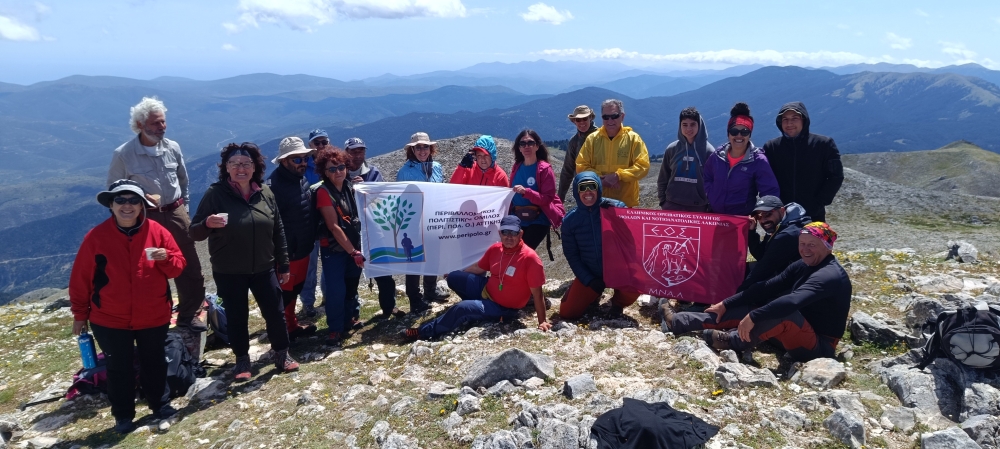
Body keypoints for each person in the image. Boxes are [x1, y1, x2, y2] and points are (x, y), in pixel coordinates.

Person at [70, 179, 185, 433]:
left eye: (134, 200)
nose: (127, 205)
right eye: (120, 200)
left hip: (153, 313)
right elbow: (81, 279)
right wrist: (80, 315)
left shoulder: (158, 232)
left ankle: (160, 405)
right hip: (109, 317)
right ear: (110, 204)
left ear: (142, 205)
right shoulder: (96, 237)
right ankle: (123, 415)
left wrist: (166, 257)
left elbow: (178, 267)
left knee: (154, 361)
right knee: (118, 366)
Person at [665, 222, 852, 362]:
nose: (805, 250)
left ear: (828, 246)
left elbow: (792, 302)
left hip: (817, 346)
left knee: (783, 311)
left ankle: (733, 341)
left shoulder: (829, 275)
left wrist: (753, 317)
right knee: (755, 305)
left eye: (812, 244)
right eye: (802, 244)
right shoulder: (803, 264)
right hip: (793, 332)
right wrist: (727, 303)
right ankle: (679, 321)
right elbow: (768, 286)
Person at [190, 143, 298, 380]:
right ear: (226, 168)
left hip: (264, 266)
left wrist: (284, 263)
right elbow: (194, 232)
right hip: (229, 270)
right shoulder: (215, 194)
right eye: (234, 164)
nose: (241, 168)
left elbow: (278, 229)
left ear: (254, 167)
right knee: (237, 316)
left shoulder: (265, 192)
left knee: (275, 312)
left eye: (246, 164)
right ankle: (242, 361)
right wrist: (207, 223)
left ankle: (281, 353)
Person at [107, 97, 206, 331]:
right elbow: (114, 190)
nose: (161, 127)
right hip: (145, 219)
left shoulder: (173, 147)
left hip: (175, 212)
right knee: (150, 270)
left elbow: (184, 181)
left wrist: (186, 210)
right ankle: (155, 317)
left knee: (189, 266)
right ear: (140, 125)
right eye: (155, 124)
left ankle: (189, 315)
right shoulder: (124, 154)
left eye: (163, 122)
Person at [402, 215, 551, 339]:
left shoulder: (530, 258)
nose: (509, 237)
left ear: (521, 234)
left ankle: (422, 332)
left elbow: (538, 294)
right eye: (505, 232)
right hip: (486, 290)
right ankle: (475, 307)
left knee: (461, 308)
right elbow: (478, 268)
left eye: (513, 233)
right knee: (454, 277)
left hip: (504, 308)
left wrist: (542, 321)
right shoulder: (495, 249)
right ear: (500, 233)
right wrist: (456, 272)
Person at [560, 172, 639, 319]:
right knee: (567, 312)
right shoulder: (570, 221)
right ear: (577, 192)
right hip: (592, 272)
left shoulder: (616, 207)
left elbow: (632, 240)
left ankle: (617, 304)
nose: (588, 192)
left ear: (599, 189)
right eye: (583, 187)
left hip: (617, 270)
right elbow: (572, 255)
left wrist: (618, 213)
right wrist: (588, 279)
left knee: (637, 283)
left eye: (592, 186)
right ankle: (593, 295)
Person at [344, 137, 406, 319]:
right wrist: (350, 187)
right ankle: (352, 315)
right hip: (350, 231)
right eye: (353, 151)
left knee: (383, 270)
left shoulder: (373, 172)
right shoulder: (339, 171)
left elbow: (380, 198)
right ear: (346, 153)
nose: (357, 155)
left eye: (360, 151)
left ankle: (389, 306)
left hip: (373, 229)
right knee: (352, 274)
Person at [265, 137, 318, 342]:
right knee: (284, 295)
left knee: (294, 290)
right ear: (284, 161)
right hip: (286, 254)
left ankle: (292, 326)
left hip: (303, 248)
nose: (303, 163)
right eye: (297, 160)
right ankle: (281, 336)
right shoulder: (273, 187)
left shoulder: (302, 180)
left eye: (304, 158)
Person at [313, 147, 367, 347]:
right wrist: (353, 251)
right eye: (332, 169)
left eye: (341, 167)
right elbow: (333, 226)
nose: (338, 171)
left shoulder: (349, 187)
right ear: (324, 172)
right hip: (335, 250)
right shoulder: (323, 192)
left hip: (352, 246)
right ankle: (335, 329)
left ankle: (349, 319)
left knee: (351, 285)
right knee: (336, 290)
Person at [762, 102, 845, 223]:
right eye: (785, 119)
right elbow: (764, 178)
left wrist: (819, 202)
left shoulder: (823, 144)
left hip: (814, 215)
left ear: (804, 120)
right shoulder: (771, 147)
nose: (789, 123)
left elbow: (836, 176)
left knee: (812, 243)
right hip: (780, 216)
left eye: (795, 118)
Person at [396, 132, 446, 312]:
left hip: (434, 219)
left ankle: (430, 291)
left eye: (425, 146)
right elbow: (401, 199)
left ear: (431, 148)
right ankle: (414, 299)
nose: (422, 150)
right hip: (414, 222)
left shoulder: (438, 167)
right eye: (418, 147)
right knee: (415, 260)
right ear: (412, 150)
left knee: (433, 255)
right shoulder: (405, 171)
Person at [703, 102, 780, 216]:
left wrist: (761, 215)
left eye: (744, 131)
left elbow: (770, 192)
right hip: (715, 216)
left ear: (750, 135)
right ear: (728, 134)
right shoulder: (717, 156)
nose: (739, 135)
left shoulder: (758, 161)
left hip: (742, 220)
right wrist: (710, 193)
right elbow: (707, 176)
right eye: (734, 131)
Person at [575, 99, 650, 207]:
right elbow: (581, 165)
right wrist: (601, 179)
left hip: (625, 203)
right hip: (597, 202)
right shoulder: (592, 139)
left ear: (622, 116)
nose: (610, 120)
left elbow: (643, 166)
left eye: (614, 116)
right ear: (602, 118)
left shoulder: (633, 139)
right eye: (606, 117)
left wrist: (618, 176)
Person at [510, 129, 564, 253]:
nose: (526, 146)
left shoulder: (544, 169)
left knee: (522, 253)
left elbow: (547, 198)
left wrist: (527, 192)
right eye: (522, 144)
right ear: (519, 148)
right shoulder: (516, 166)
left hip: (538, 220)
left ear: (537, 146)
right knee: (511, 252)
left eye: (530, 143)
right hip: (517, 217)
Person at [740, 196, 811, 292]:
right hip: (783, 271)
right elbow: (761, 256)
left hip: (798, 285)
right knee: (739, 270)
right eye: (758, 216)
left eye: (767, 214)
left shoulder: (787, 234)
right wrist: (752, 231)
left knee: (749, 285)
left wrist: (730, 299)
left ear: (782, 210)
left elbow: (763, 270)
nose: (763, 220)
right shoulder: (781, 224)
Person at [298, 129, 332, 318]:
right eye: (316, 143)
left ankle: (328, 297)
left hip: (328, 224)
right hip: (310, 225)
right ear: (309, 145)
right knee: (309, 266)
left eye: (323, 142)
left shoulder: (333, 163)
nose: (320, 146)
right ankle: (308, 304)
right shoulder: (303, 166)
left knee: (329, 263)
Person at [657, 107, 714, 212]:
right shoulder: (672, 149)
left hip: (698, 207)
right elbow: (663, 178)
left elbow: (714, 183)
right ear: (680, 126)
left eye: (692, 124)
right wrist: (663, 201)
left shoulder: (709, 152)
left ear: (699, 125)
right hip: (671, 205)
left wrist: (710, 207)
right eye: (685, 125)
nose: (688, 129)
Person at [558, 105, 598, 202]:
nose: (582, 122)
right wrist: (559, 198)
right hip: (582, 190)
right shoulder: (574, 142)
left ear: (590, 118)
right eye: (578, 120)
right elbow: (567, 170)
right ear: (574, 121)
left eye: (584, 118)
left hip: (602, 188)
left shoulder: (601, 137)